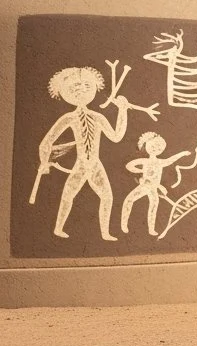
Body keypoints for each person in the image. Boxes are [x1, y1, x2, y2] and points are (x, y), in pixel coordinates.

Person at [36, 66, 142, 240]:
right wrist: (44, 162)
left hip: (94, 165)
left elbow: (116, 136)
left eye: (86, 86)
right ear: (63, 92)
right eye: (74, 88)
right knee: (68, 196)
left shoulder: (98, 117)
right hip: (81, 165)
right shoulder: (68, 118)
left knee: (107, 197)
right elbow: (46, 142)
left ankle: (105, 233)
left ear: (94, 87)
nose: (81, 90)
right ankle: (58, 229)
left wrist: (122, 111)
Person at [120, 132, 189, 236]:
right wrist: (141, 171)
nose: (155, 149)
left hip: (153, 188)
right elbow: (129, 166)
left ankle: (151, 229)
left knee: (153, 206)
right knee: (129, 200)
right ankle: (124, 225)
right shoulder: (145, 161)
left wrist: (182, 154)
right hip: (144, 186)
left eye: (158, 147)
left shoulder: (160, 162)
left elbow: (170, 160)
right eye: (152, 146)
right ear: (146, 146)